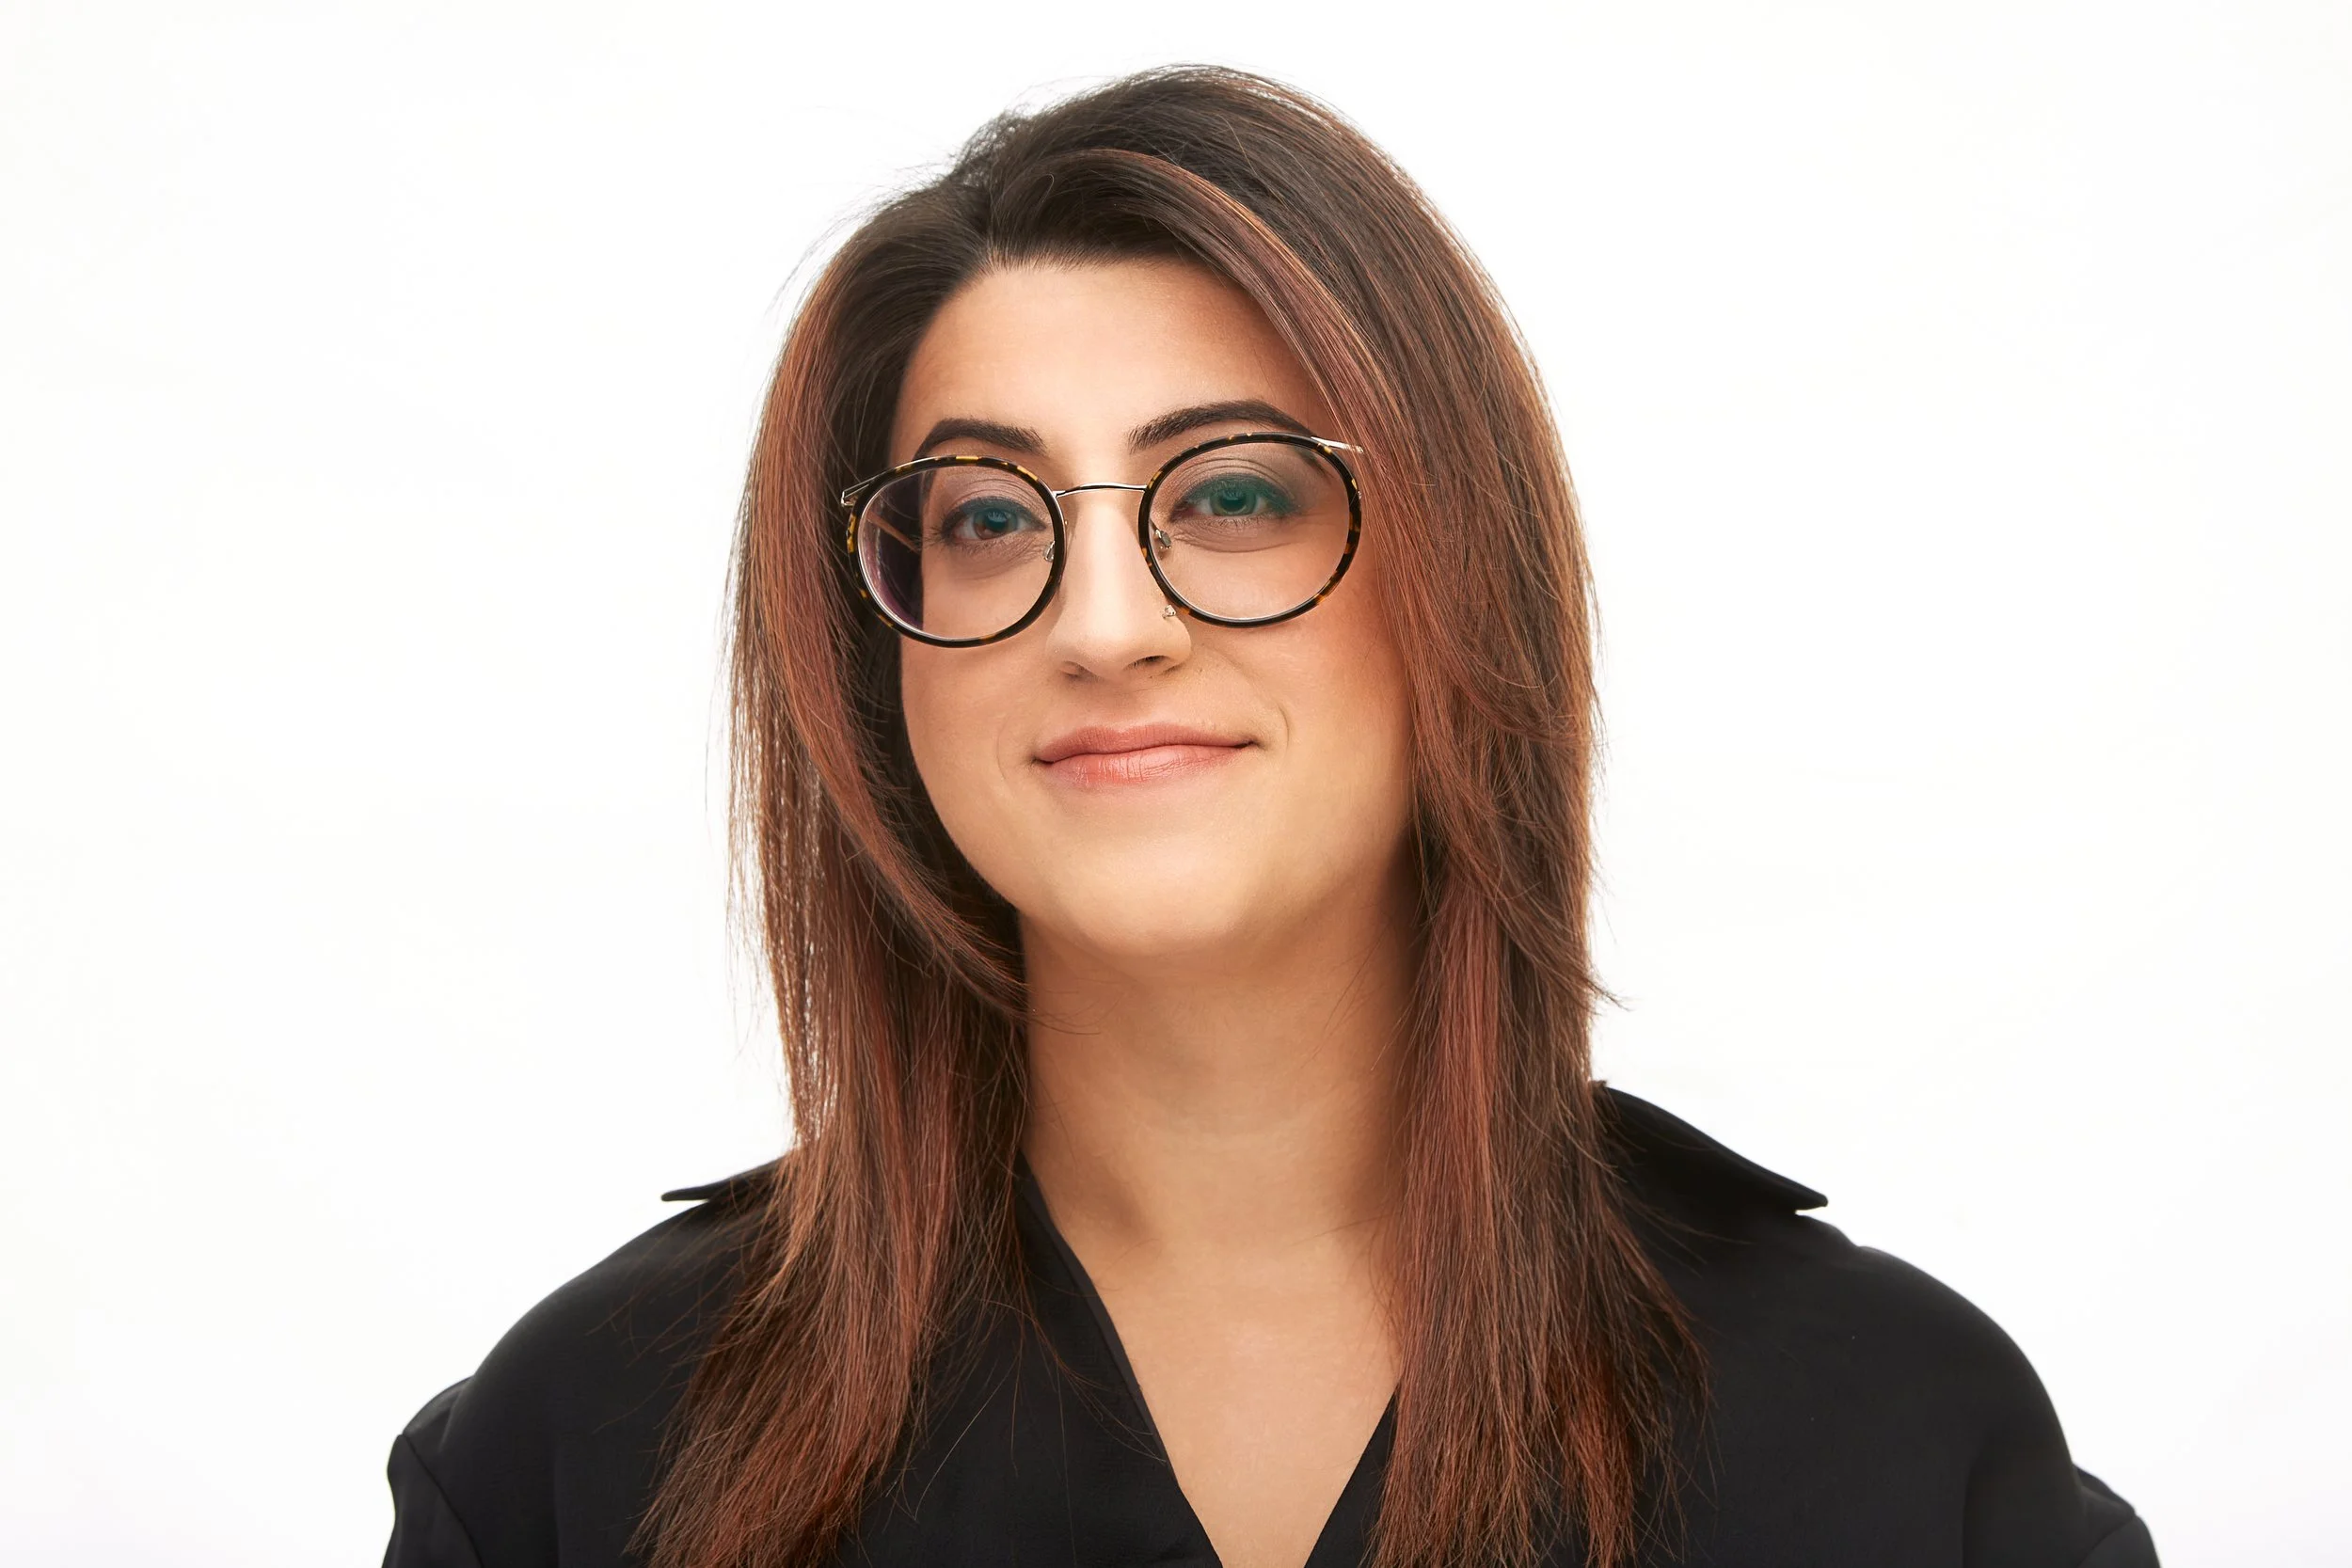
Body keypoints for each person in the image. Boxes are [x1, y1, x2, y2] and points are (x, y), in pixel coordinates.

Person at [381, 67, 2156, 1568]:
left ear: (1464, 583)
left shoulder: (1897, 1446)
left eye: (1231, 493)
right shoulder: (592, 1445)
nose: (1103, 624)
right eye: (987, 516)